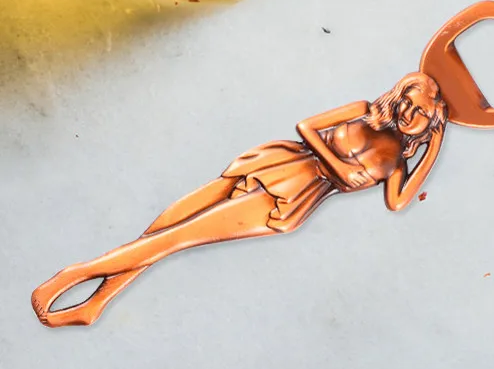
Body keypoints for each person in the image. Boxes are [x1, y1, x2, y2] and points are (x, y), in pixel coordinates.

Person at [32, 73, 446, 327]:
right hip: (277, 161)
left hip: (289, 199)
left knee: (181, 237)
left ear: (431, 123)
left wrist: (434, 146)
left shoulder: (396, 165)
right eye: (409, 100)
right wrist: (340, 169)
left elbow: (398, 201)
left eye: (422, 113)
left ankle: (76, 274)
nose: (410, 111)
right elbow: (306, 127)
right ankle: (97, 301)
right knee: (168, 223)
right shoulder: (363, 109)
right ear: (398, 94)